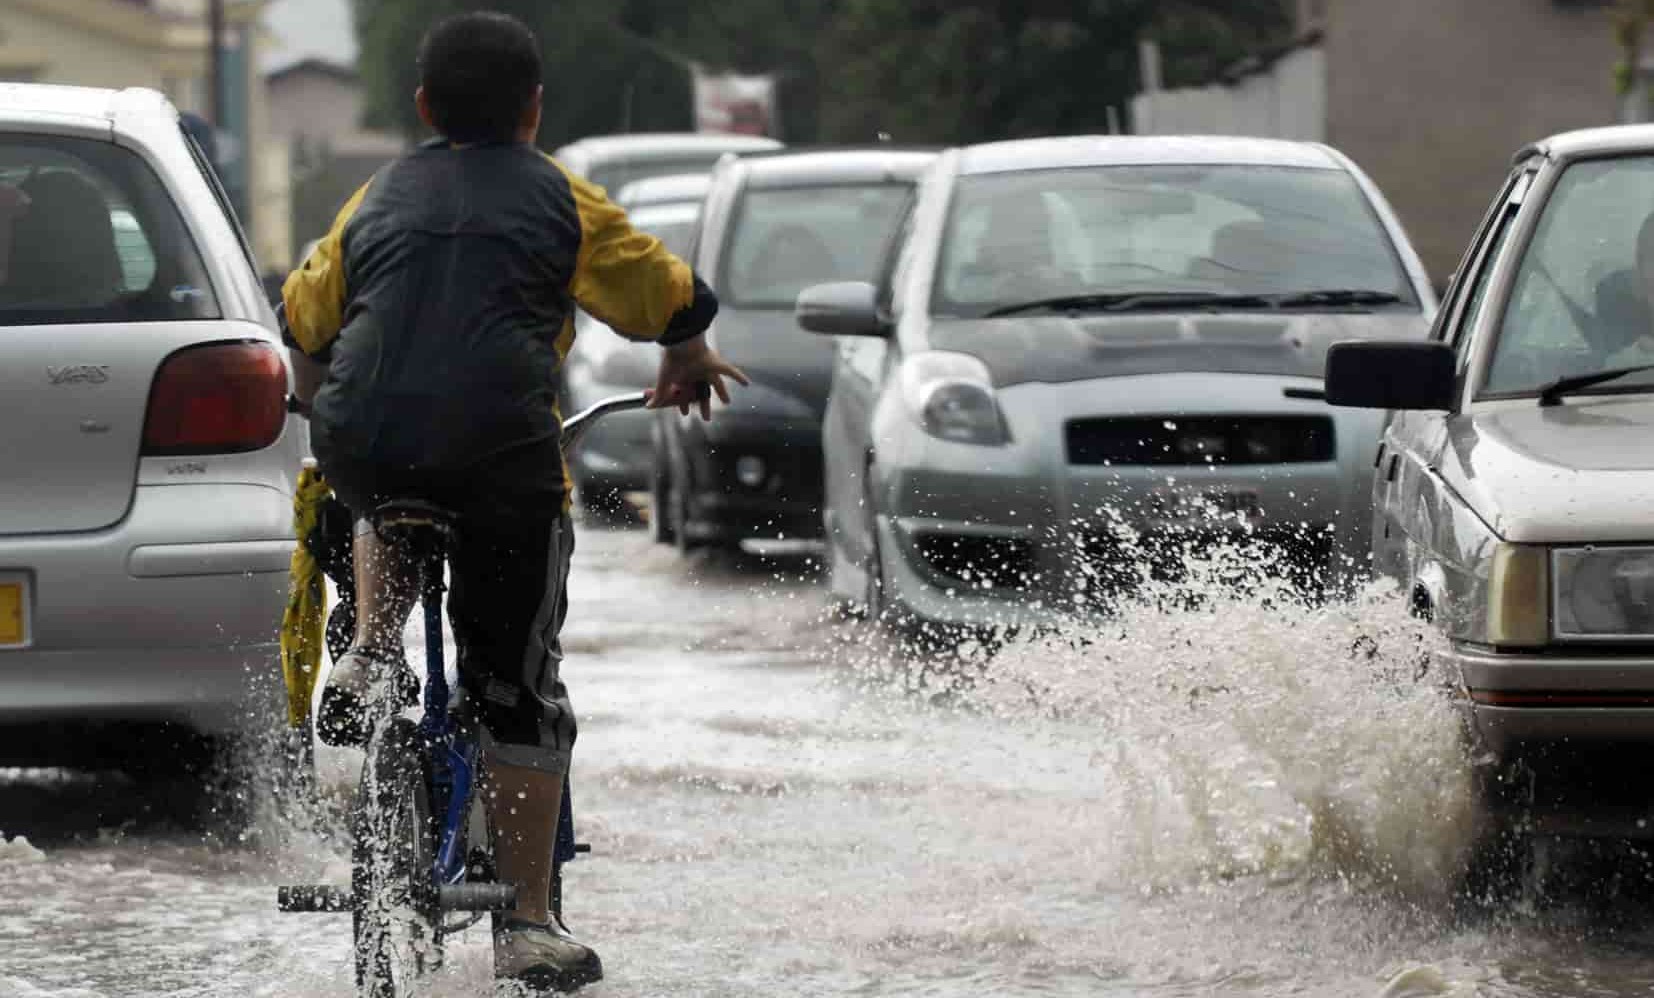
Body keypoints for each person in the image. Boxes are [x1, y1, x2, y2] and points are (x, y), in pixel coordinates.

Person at [279, 12, 746, 992]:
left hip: (365, 438)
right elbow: (664, 292)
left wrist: (325, 395)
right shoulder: (556, 195)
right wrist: (687, 350)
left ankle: (369, 648)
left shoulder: (377, 195)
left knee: (379, 481)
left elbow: (303, 312)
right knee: (518, 688)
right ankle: (528, 919)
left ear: (420, 109)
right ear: (536, 107)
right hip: (500, 453)